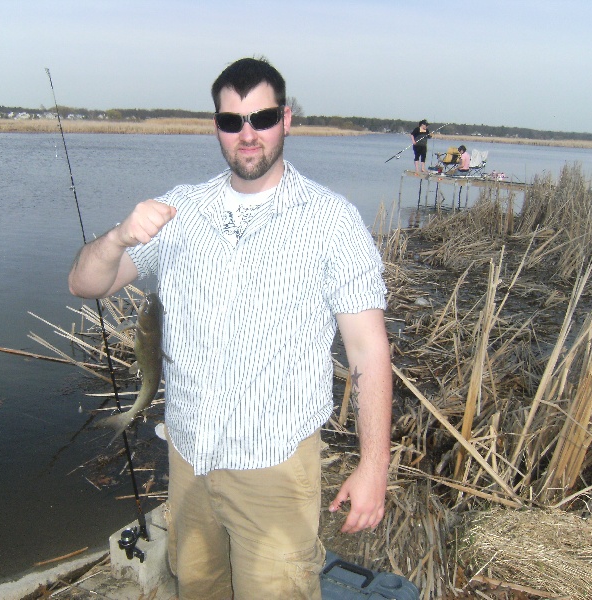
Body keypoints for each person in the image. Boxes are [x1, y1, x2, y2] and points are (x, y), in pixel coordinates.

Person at [68, 57, 393, 600]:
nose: (247, 134)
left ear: (286, 120)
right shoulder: (180, 210)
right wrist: (119, 237)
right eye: (230, 121)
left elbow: (368, 350)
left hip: (275, 469)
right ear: (215, 125)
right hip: (190, 459)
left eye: (261, 118)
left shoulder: (332, 221)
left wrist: (374, 466)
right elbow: (85, 283)